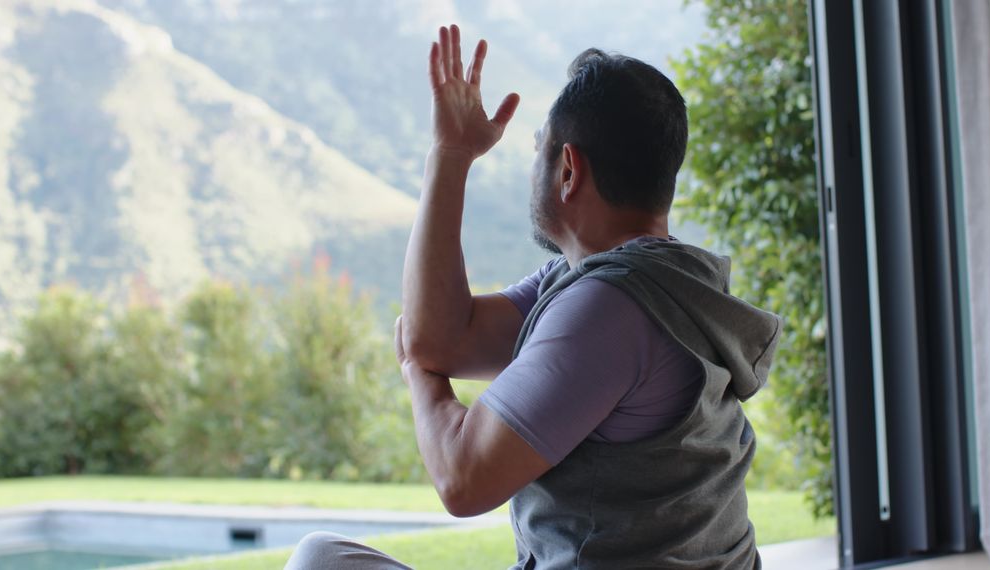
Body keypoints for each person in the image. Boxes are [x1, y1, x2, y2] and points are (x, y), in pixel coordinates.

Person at [285, 24, 782, 570]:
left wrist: (414, 372)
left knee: (319, 561)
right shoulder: (651, 283)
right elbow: (443, 339)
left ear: (568, 169)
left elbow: (463, 477)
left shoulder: (609, 310)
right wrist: (450, 154)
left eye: (538, 150)